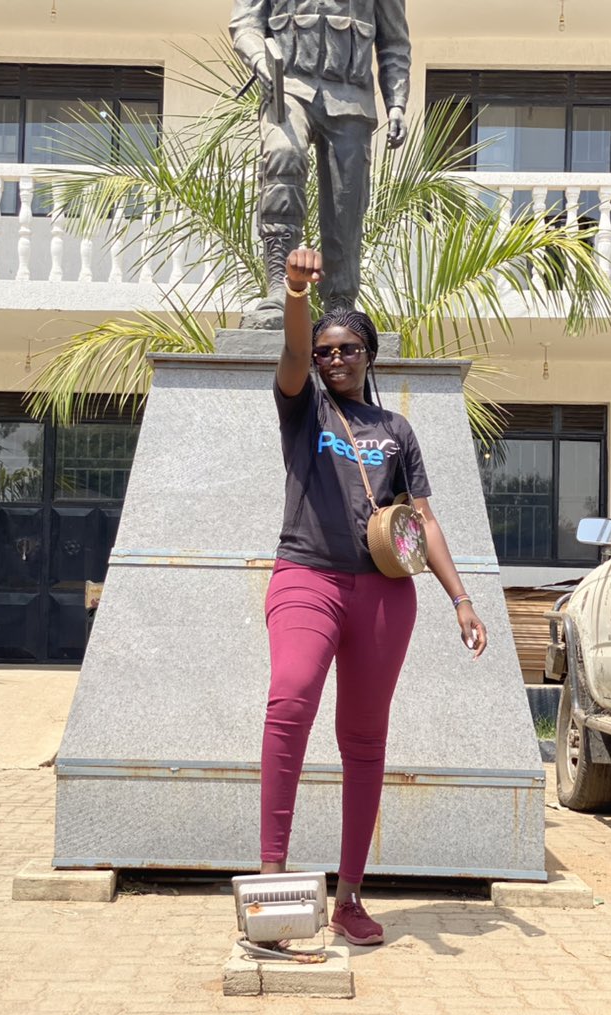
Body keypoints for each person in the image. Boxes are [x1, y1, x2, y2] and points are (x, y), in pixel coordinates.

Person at [261, 247, 488, 945]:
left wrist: (460, 599)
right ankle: (272, 882)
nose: (333, 358)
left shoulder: (398, 432)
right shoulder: (304, 408)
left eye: (347, 348)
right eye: (327, 350)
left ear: (369, 355)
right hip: (308, 577)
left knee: (364, 740)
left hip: (385, 596)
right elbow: (293, 356)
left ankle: (349, 897)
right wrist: (297, 293)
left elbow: (422, 522)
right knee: (291, 696)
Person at [229, 0, 411, 328]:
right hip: (288, 89)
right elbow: (245, 26)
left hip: (350, 97)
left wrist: (396, 103)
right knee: (284, 155)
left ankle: (340, 301)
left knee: (346, 203)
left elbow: (394, 43)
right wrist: (259, 60)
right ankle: (279, 290)